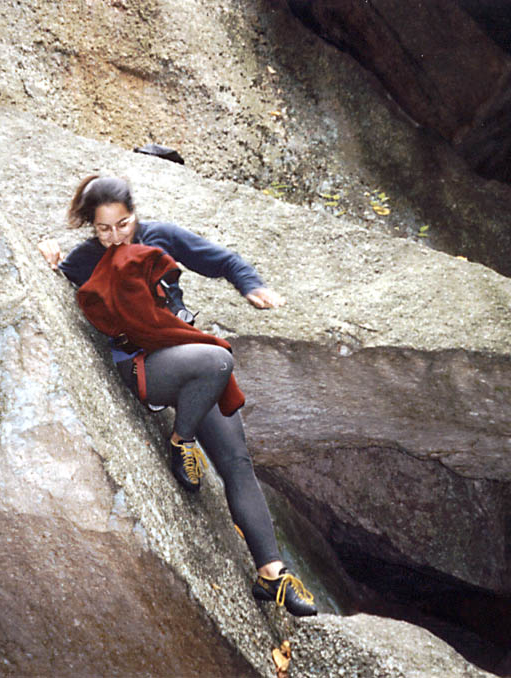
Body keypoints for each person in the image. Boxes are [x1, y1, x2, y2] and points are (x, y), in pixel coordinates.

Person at [38, 174, 317, 617]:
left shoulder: (161, 238)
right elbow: (51, 278)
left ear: (135, 215)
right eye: (103, 228)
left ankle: (271, 576)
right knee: (218, 359)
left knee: (237, 462)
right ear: (91, 226)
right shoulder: (87, 258)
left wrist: (252, 286)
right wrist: (46, 255)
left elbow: (223, 261)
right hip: (145, 366)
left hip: (187, 358)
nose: (114, 237)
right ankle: (181, 441)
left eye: (123, 225)